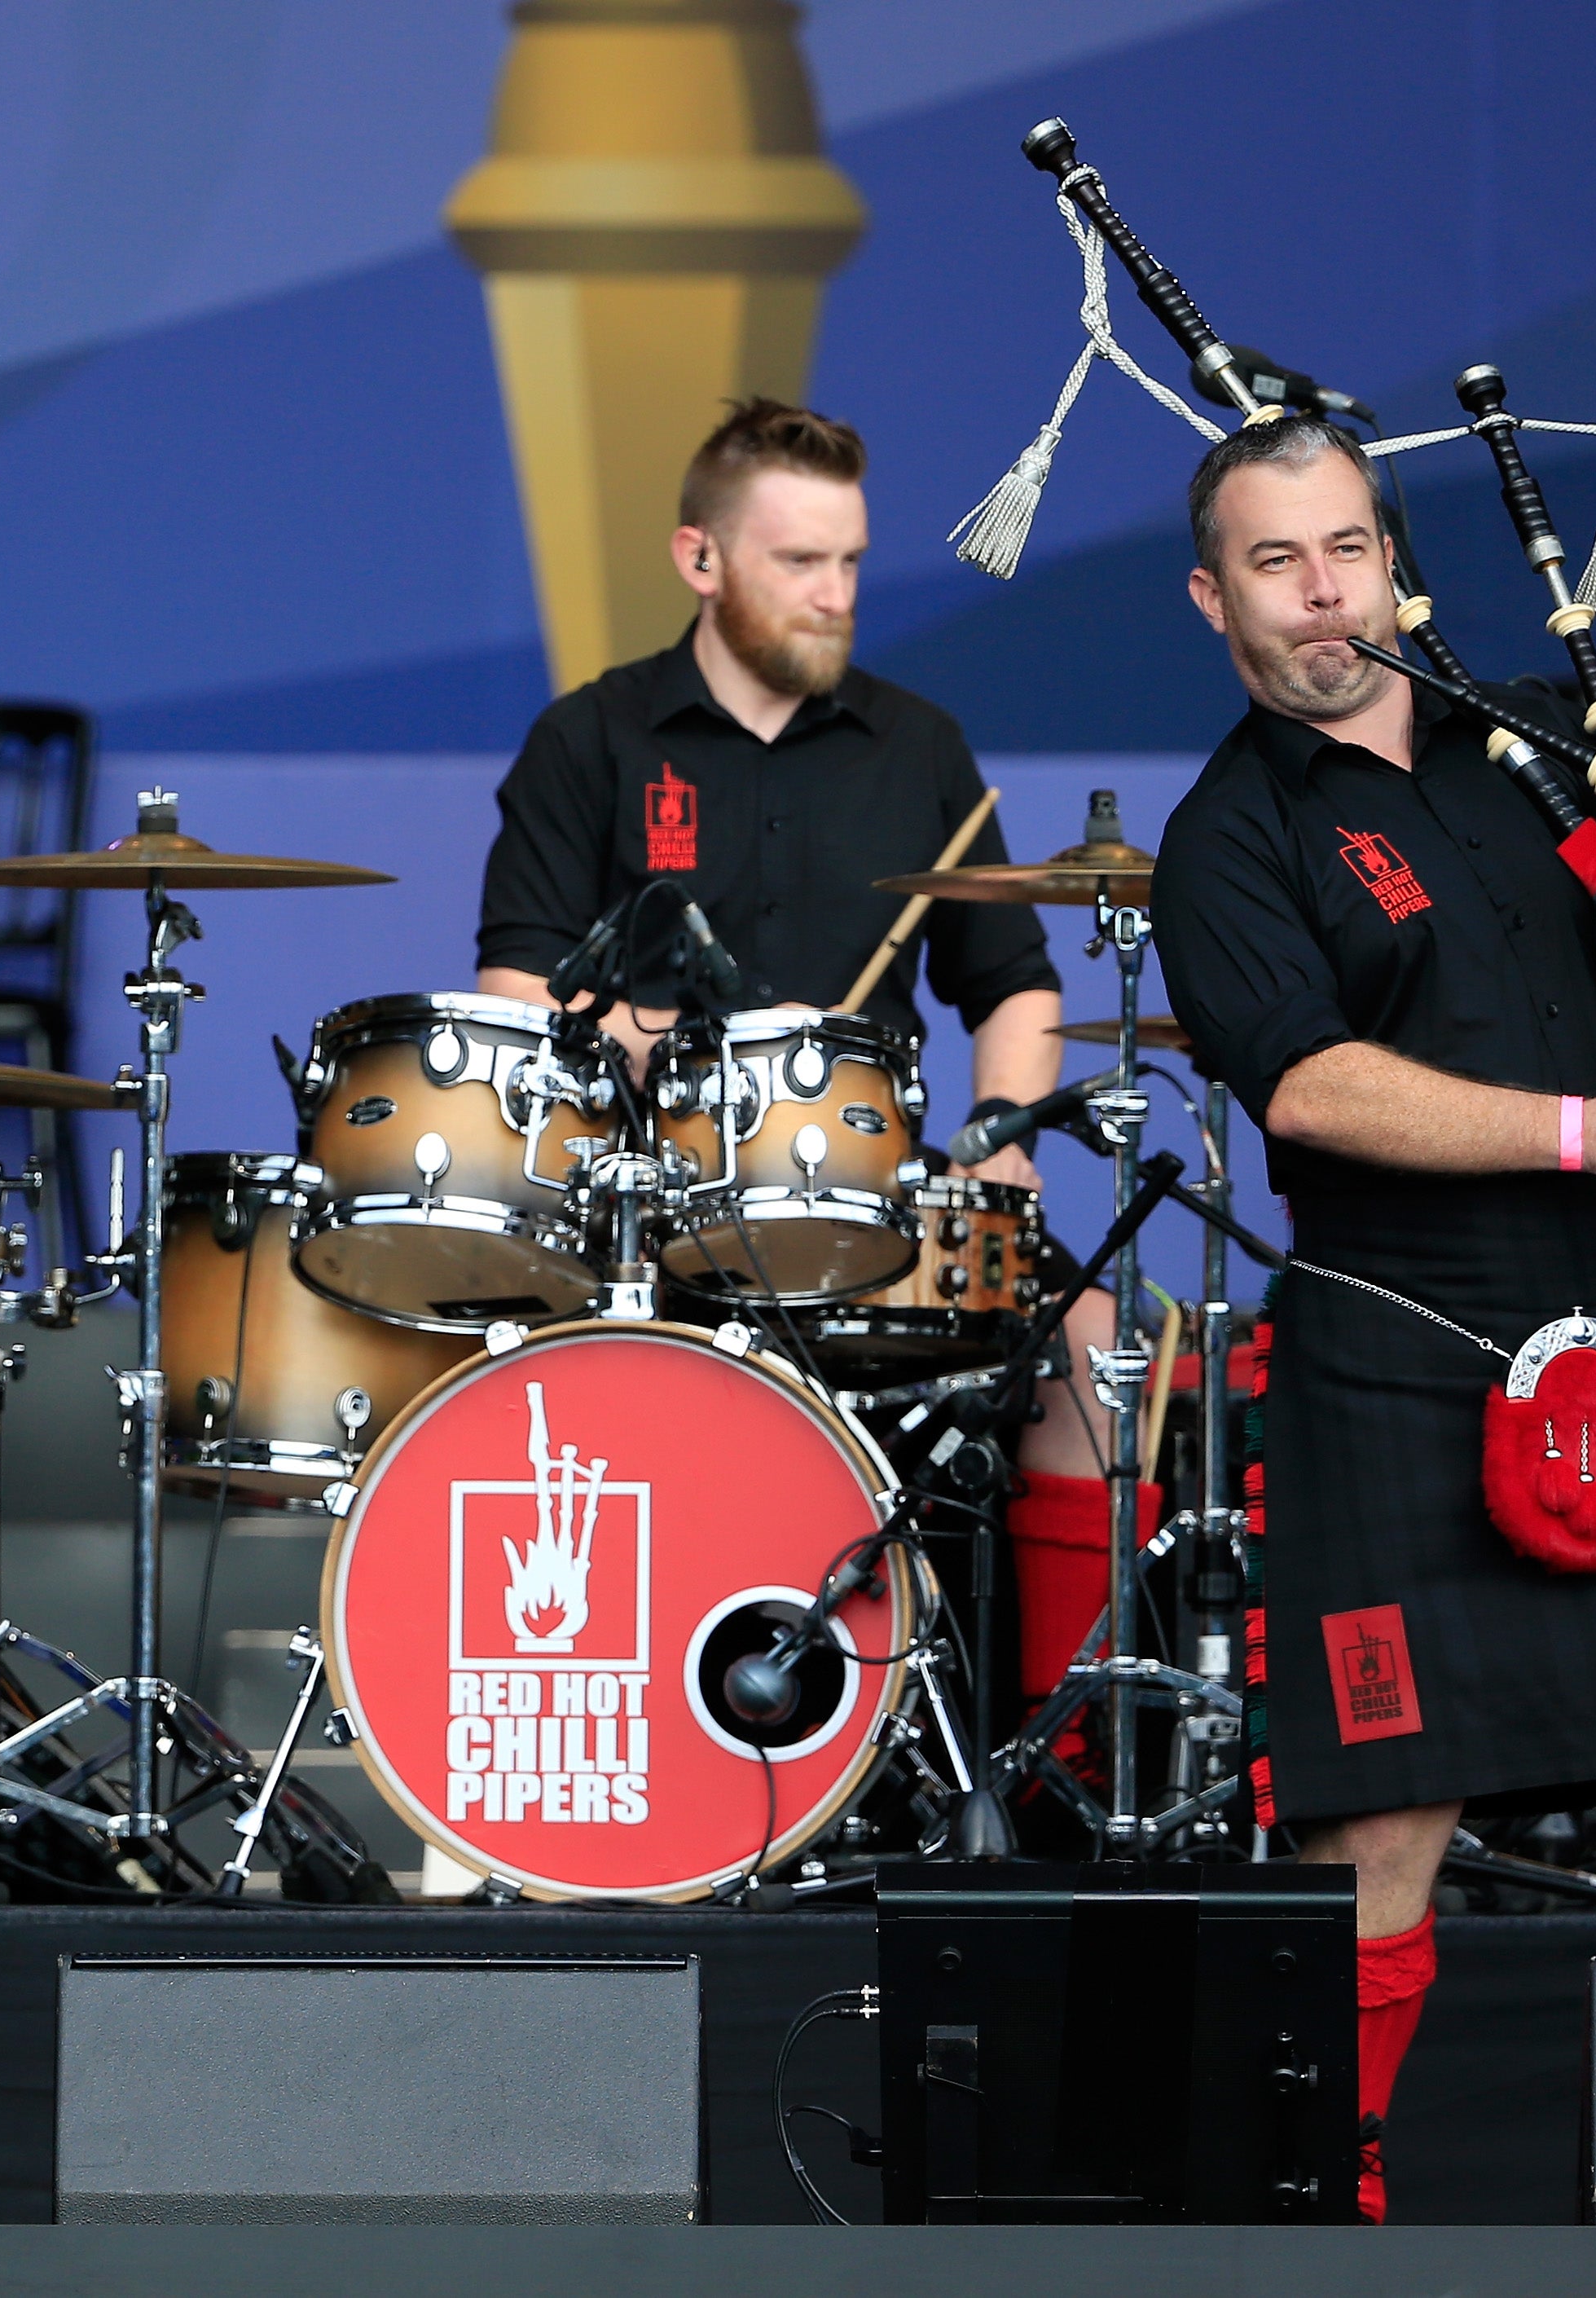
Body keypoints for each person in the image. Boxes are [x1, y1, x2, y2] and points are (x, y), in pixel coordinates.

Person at [1150, 416, 1596, 2221]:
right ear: (1212, 595)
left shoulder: (1543, 740)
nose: (1324, 596)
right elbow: (1304, 1086)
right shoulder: (1225, 838)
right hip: (1401, 1339)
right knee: (1377, 1824)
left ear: (1393, 560)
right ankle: (1332, 2207)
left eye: (1348, 552)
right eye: (1278, 565)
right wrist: (1580, 1129)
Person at [473, 395, 1137, 1775]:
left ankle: (1052, 1777)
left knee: (1096, 1360)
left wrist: (1001, 1138)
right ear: (699, 560)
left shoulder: (921, 750)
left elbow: (1012, 984)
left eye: (848, 562)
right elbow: (516, 994)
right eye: (797, 564)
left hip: (883, 1206)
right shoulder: (588, 743)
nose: (835, 596)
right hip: (655, 1213)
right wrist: (677, 1056)